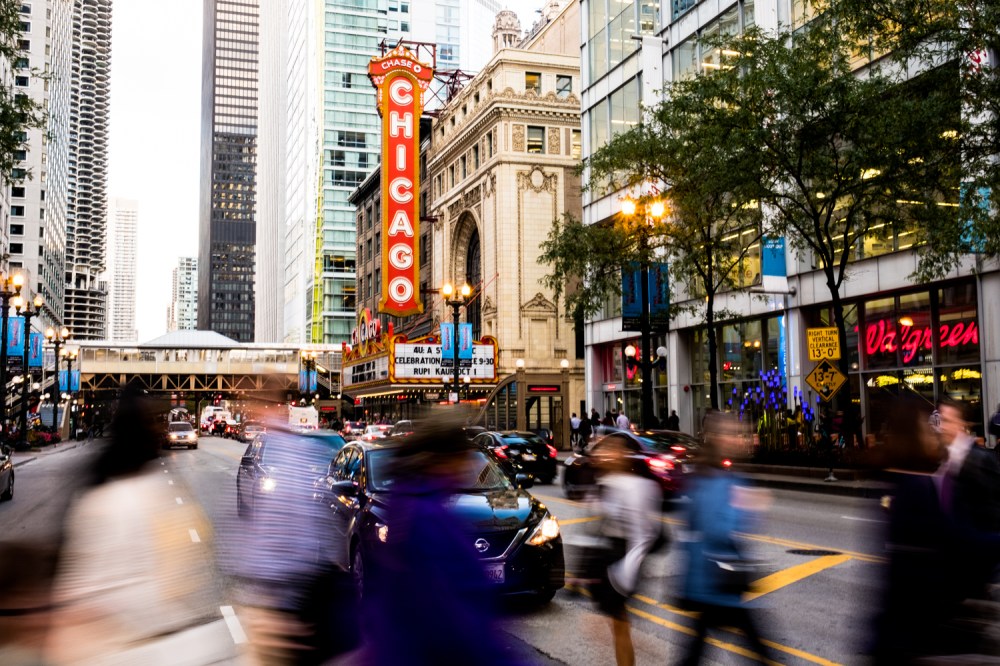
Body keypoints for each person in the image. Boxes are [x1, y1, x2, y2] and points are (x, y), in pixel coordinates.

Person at [44, 380, 237, 664]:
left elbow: (75, 594)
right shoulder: (153, 495)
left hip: (117, 648)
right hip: (155, 646)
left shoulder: (99, 498)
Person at [356, 420, 512, 665]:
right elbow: (452, 619)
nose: (466, 468)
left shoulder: (410, 505)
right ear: (441, 461)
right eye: (462, 459)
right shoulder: (427, 517)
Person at [677, 411, 772, 665]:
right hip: (716, 579)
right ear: (717, 438)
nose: (738, 440)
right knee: (760, 653)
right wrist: (748, 508)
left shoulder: (713, 474)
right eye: (732, 434)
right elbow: (716, 528)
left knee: (693, 655)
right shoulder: (714, 478)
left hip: (711, 581)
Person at [591, 434, 663, 666]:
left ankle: (635, 656)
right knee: (618, 625)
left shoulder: (636, 487)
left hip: (623, 562)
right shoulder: (606, 482)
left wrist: (624, 576)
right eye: (603, 451)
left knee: (620, 626)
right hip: (610, 559)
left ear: (623, 456)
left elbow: (642, 536)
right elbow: (597, 526)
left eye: (611, 450)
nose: (604, 455)